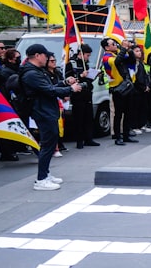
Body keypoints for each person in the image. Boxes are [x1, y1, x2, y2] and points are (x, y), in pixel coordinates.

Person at [19, 44, 82, 190]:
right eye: (45, 55)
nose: (47, 58)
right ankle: (41, 179)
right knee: (47, 146)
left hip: (47, 110)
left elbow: (50, 86)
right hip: (42, 111)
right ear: (37, 55)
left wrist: (65, 83)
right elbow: (49, 90)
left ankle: (46, 174)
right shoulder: (31, 74)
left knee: (50, 144)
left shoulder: (36, 71)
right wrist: (70, 89)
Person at [102, 37, 137, 146]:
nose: (115, 45)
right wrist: (123, 48)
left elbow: (131, 60)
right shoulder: (107, 57)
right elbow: (117, 62)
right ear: (107, 47)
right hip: (117, 88)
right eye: (113, 44)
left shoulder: (117, 53)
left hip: (126, 86)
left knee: (128, 112)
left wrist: (129, 50)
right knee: (118, 114)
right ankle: (118, 137)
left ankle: (126, 135)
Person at [64, 43, 100, 149]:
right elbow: (68, 79)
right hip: (77, 95)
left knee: (88, 117)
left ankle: (89, 139)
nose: (88, 58)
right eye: (87, 55)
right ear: (81, 53)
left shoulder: (86, 64)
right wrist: (80, 76)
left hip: (87, 93)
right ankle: (79, 140)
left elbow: (88, 79)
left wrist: (94, 75)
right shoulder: (71, 63)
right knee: (79, 118)